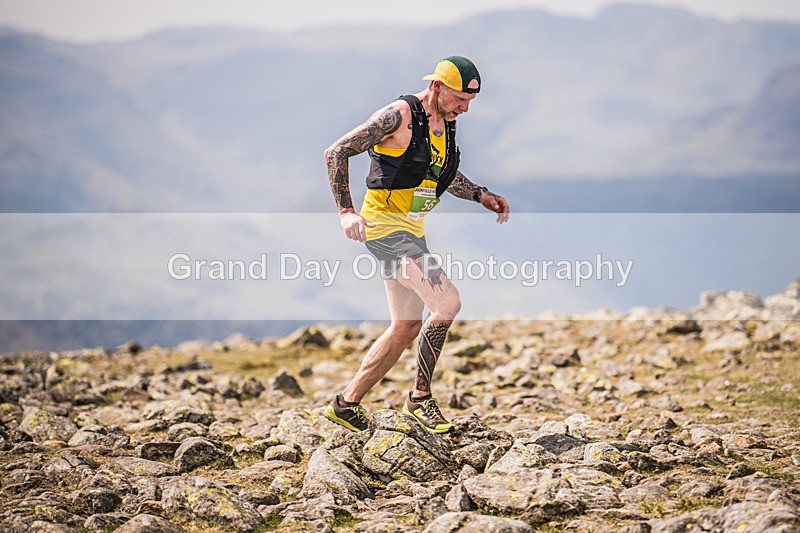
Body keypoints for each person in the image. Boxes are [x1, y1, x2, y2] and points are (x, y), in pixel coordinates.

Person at [323, 55, 510, 433]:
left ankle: (346, 404)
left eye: (471, 101)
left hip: (412, 229)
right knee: (447, 302)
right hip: (383, 228)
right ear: (437, 87)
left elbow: (440, 171)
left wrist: (479, 195)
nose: (466, 108)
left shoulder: (446, 123)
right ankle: (420, 400)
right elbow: (336, 152)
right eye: (460, 98)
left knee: (406, 325)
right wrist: (346, 211)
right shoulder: (398, 116)